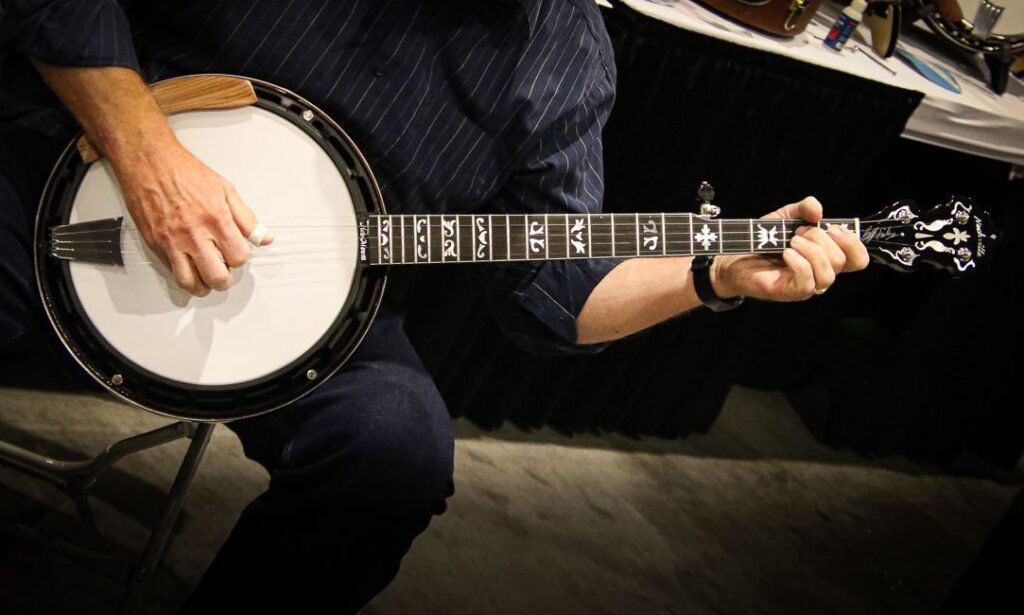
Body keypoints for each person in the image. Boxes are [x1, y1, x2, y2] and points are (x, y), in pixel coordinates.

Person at [0, 0, 869, 611]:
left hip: (330, 315)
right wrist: (147, 154)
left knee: (394, 451)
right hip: (74, 184)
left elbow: (554, 296)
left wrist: (711, 273)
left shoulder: (566, 49)